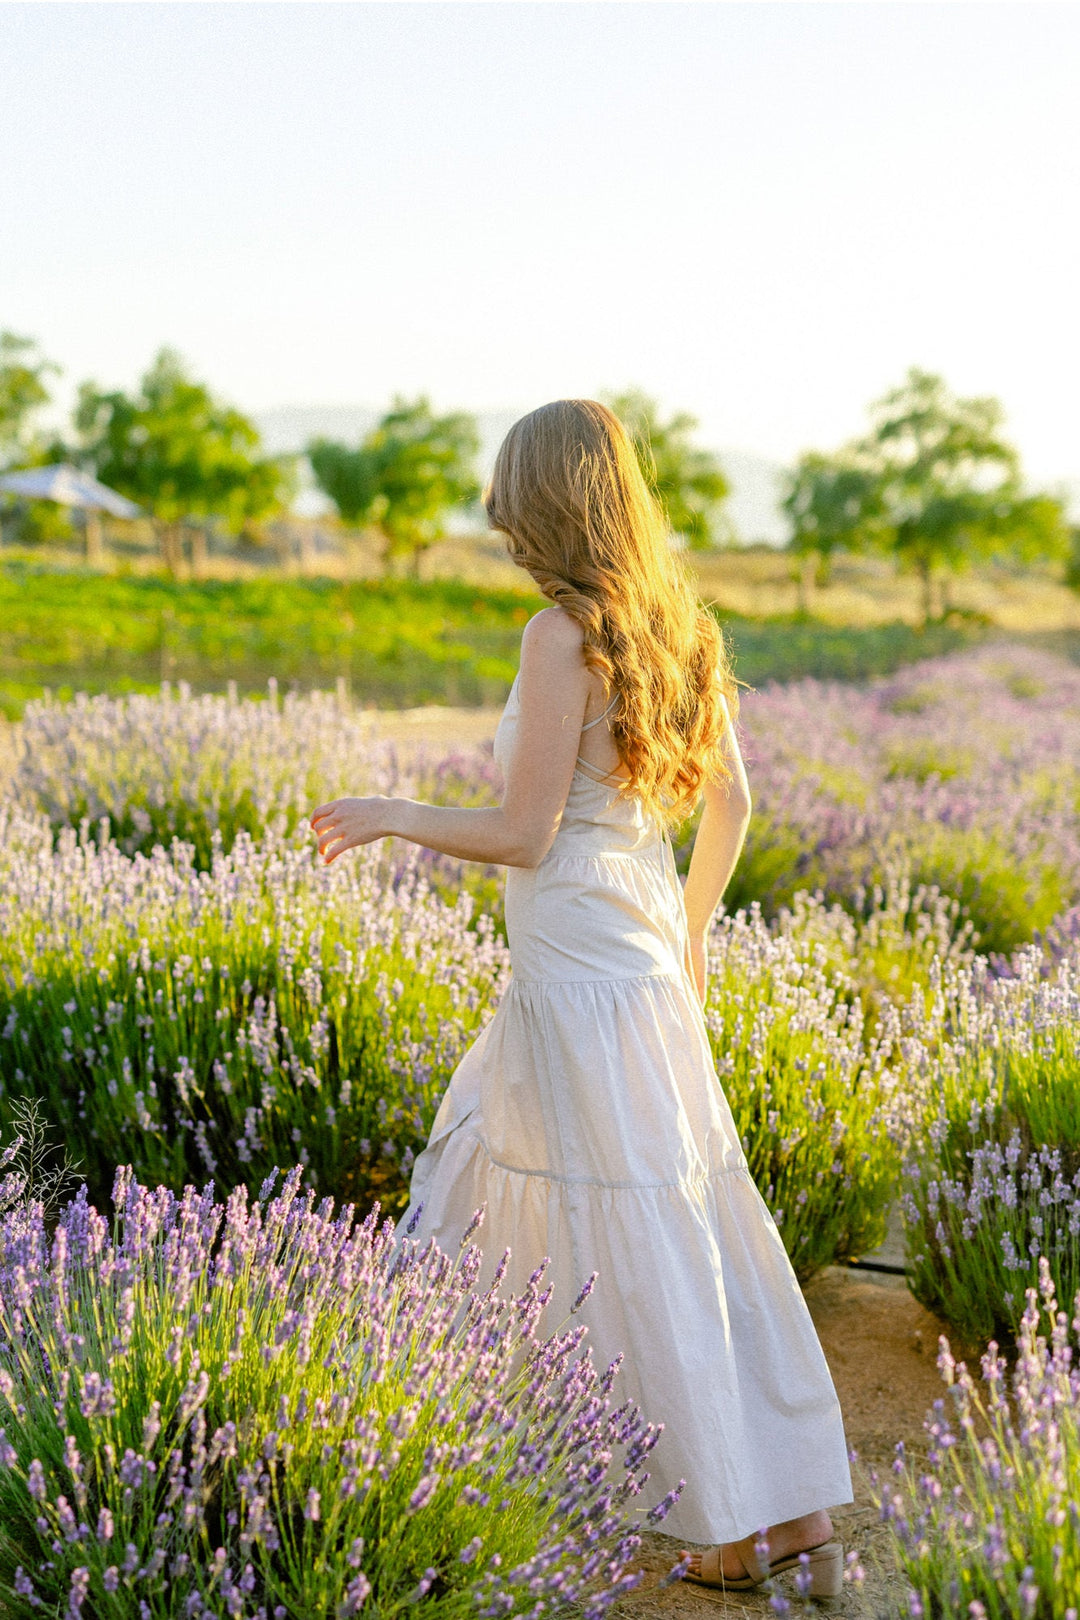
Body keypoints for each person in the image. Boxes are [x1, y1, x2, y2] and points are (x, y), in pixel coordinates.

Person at [310, 399, 852, 1597]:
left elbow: (523, 831)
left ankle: (715, 1522)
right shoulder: (680, 628)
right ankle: (795, 1510)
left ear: (547, 499)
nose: (500, 523)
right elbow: (735, 809)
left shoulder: (562, 635)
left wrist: (394, 811)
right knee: (684, 1212)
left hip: (576, 966)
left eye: (511, 499)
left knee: (605, 1216)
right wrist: (691, 938)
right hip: (640, 960)